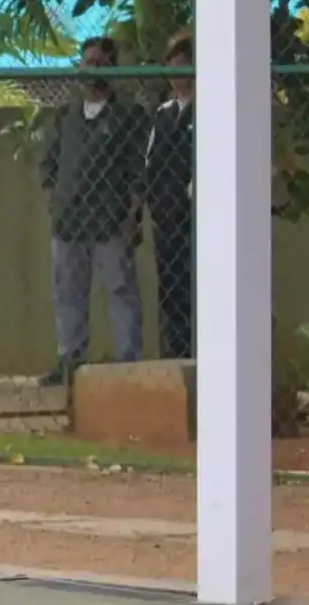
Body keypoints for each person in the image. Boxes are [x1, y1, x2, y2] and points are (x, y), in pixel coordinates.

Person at [37, 35, 149, 385]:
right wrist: (55, 202)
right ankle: (70, 358)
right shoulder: (64, 116)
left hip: (110, 219)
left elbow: (137, 170)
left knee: (120, 290)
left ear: (111, 69)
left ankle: (127, 361)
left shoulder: (128, 116)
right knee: (68, 292)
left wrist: (132, 215)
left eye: (101, 62)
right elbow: (48, 165)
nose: (93, 69)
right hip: (69, 221)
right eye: (88, 62)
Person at [144, 31, 196, 359]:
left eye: (184, 65)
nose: (178, 73)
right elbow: (151, 163)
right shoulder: (163, 114)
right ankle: (177, 353)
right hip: (167, 218)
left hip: (196, 217)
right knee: (172, 290)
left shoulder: (209, 107)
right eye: (173, 66)